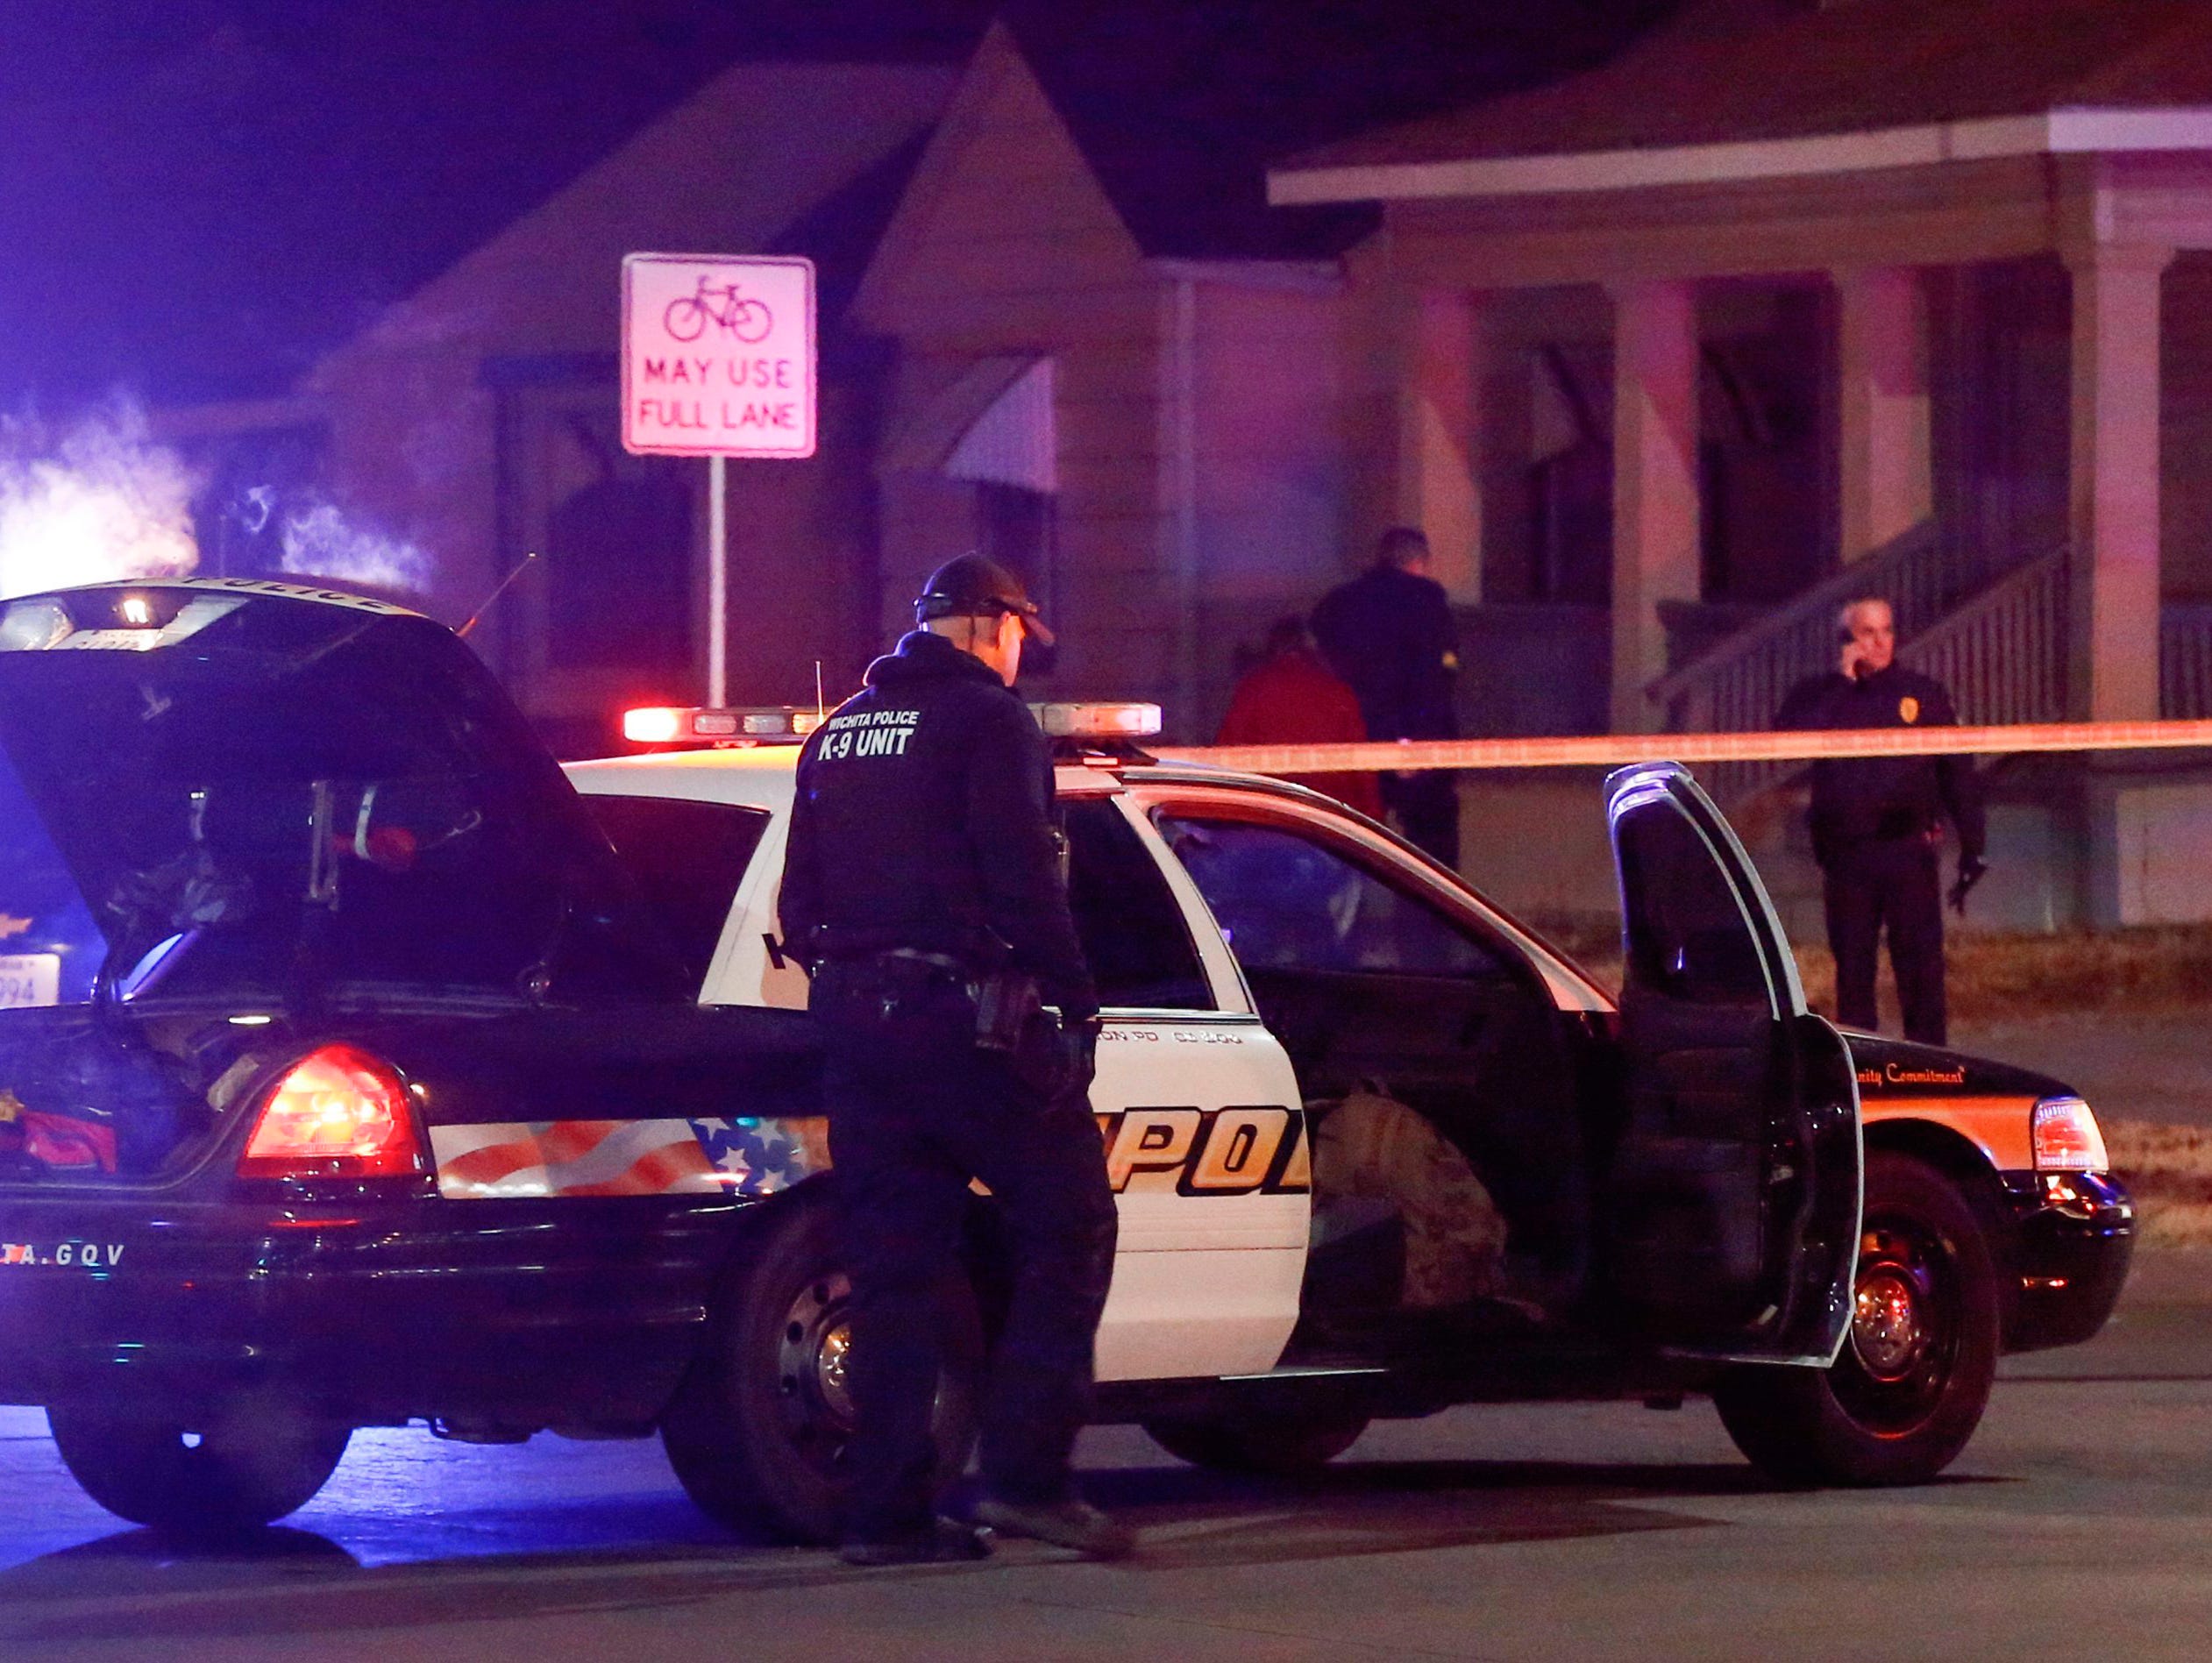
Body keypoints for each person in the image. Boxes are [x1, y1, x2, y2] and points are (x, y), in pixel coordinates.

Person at [777, 552, 1130, 1567]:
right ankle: (1025, 1480)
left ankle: (883, 1515)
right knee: (1070, 1226)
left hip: (857, 1027)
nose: (1022, 657)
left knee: (895, 1275)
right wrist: (1074, 1003)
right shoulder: (987, 721)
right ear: (987, 625)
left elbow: (799, 905)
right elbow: (1025, 879)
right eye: (1021, 635)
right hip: (963, 1025)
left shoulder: (839, 730)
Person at [1775, 596, 1987, 1046]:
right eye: (1868, 632)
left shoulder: (1921, 693)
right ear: (1846, 641)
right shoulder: (1821, 695)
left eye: (1887, 630)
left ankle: (1931, 1065)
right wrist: (1841, 682)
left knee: (1921, 968)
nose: (1880, 642)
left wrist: (1973, 842)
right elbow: (1786, 741)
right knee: (1853, 969)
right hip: (1848, 855)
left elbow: (1957, 770)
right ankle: (1862, 1071)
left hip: (1908, 849)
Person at [1312, 526, 1462, 867]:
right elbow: (1438, 674)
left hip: (1358, 736)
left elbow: (1326, 662)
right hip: (1419, 742)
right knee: (1432, 847)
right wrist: (1418, 738)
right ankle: (1430, 917)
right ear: (1419, 562)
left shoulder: (1341, 603)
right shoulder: (1426, 601)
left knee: (1353, 837)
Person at [1215, 615, 1386, 820]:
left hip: (1270, 813)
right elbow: (1362, 768)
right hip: (1332, 819)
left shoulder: (1254, 688)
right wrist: (1374, 822)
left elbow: (1225, 756)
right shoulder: (1337, 691)